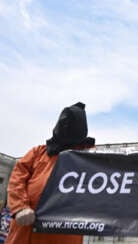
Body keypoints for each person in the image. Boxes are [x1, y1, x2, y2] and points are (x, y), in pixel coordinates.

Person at [6, 102, 95, 244]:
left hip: (62, 235)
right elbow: (17, 180)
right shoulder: (37, 153)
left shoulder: (89, 158)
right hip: (24, 230)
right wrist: (20, 207)